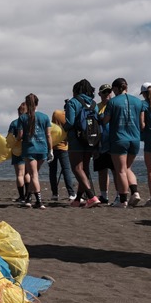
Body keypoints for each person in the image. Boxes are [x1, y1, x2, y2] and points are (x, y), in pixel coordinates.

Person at [103, 77, 143, 207]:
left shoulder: (113, 102)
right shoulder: (138, 102)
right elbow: (142, 124)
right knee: (127, 168)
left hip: (119, 139)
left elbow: (105, 120)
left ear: (115, 88)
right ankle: (135, 192)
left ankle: (123, 200)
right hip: (135, 139)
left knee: (120, 171)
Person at [63, 79, 102, 208]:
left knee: (77, 169)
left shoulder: (73, 103)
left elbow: (70, 123)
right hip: (91, 139)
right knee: (84, 169)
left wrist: (62, 128)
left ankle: (91, 197)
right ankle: (78, 199)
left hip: (76, 139)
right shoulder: (94, 104)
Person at [15, 93, 51, 209]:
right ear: (37, 103)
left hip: (30, 149)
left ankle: (39, 201)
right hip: (42, 149)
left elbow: (20, 135)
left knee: (33, 175)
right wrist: (51, 150)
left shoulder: (23, 118)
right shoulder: (44, 117)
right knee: (34, 174)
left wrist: (14, 140)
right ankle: (28, 198)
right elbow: (48, 135)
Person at [49, 109, 76, 202]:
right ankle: (71, 193)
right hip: (63, 147)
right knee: (66, 170)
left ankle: (54, 194)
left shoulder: (56, 114)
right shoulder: (68, 117)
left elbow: (52, 128)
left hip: (52, 145)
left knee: (52, 171)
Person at [94, 83, 114, 203]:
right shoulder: (96, 107)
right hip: (100, 143)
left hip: (113, 144)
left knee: (116, 171)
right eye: (104, 92)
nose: (107, 94)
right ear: (100, 94)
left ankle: (120, 195)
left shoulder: (115, 105)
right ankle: (104, 195)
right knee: (102, 171)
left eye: (108, 92)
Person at [9, 103, 30, 204]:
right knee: (27, 173)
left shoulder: (14, 123)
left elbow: (10, 137)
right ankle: (28, 195)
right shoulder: (31, 121)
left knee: (20, 174)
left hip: (18, 150)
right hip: (28, 149)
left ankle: (22, 196)